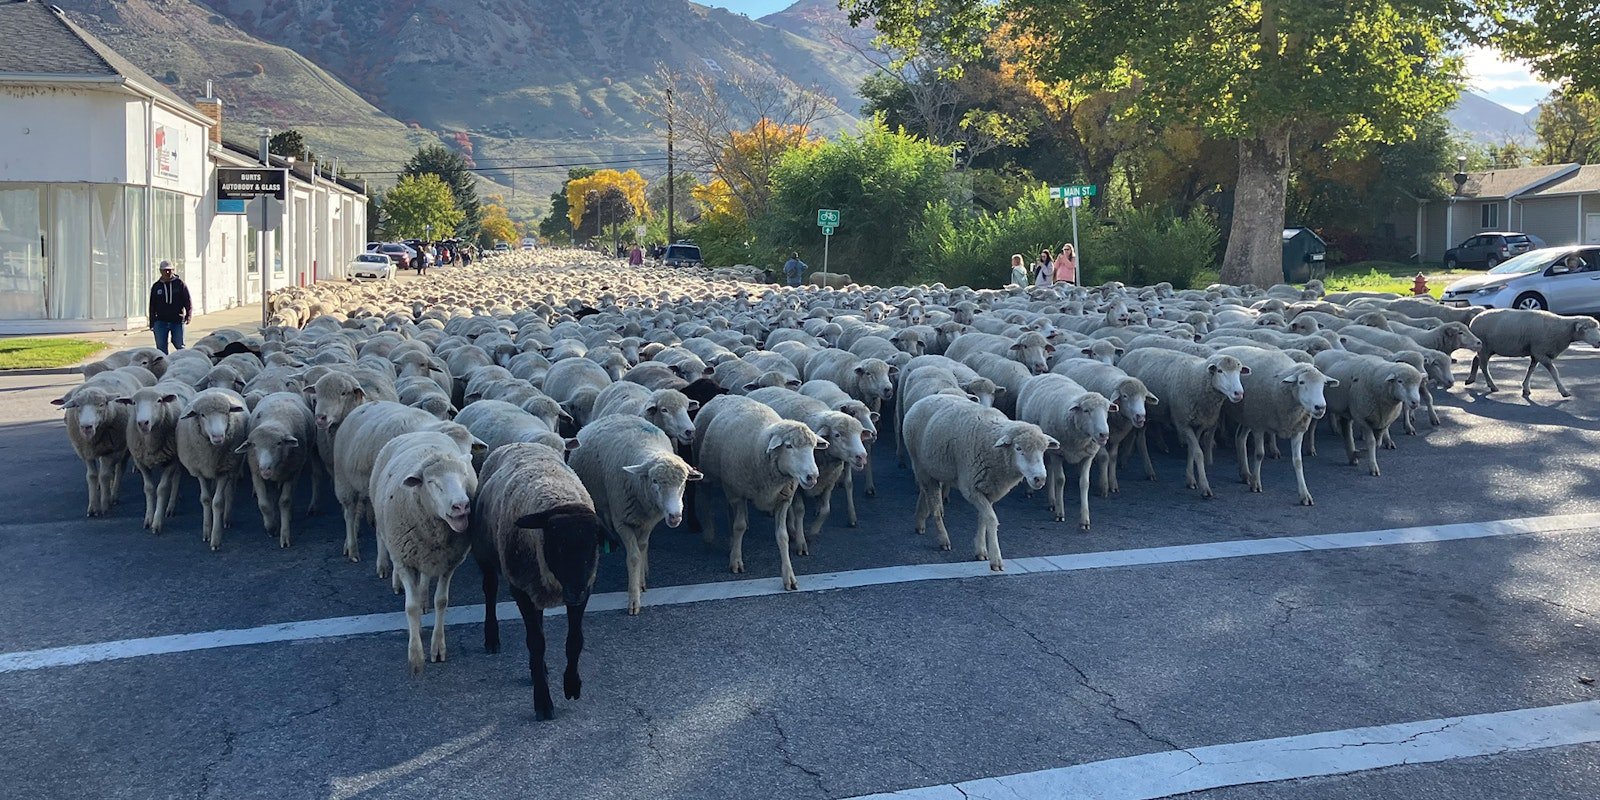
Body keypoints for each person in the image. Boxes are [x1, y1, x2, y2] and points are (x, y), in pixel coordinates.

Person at [147, 260, 191, 354]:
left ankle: (183, 361)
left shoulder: (180, 284)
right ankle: (164, 362)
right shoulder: (156, 286)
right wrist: (152, 322)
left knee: (180, 345)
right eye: (165, 270)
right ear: (160, 271)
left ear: (173, 270)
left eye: (169, 270)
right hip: (160, 321)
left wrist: (188, 315)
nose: (167, 272)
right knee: (161, 348)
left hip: (177, 320)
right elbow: (152, 305)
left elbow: (187, 300)